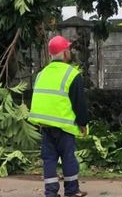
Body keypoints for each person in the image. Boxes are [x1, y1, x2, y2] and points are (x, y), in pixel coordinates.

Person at [29, 35, 89, 197]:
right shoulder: (72, 74)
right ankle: (71, 191)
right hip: (64, 127)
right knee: (68, 157)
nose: (70, 52)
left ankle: (50, 192)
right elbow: (79, 103)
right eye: (68, 49)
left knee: (49, 160)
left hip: (45, 127)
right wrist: (83, 124)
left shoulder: (41, 74)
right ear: (65, 53)